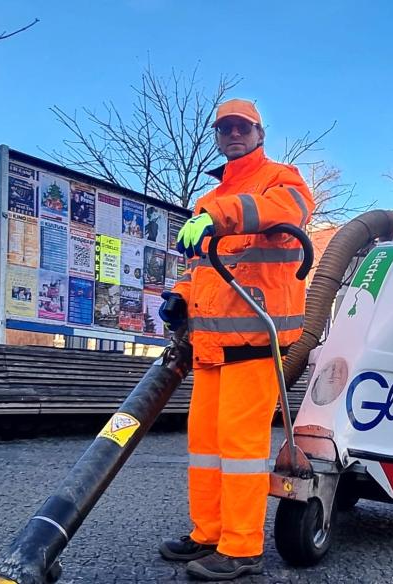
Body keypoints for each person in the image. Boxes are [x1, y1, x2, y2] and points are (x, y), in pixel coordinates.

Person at [156, 98, 315, 581]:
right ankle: (209, 533)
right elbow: (204, 268)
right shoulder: (210, 201)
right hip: (210, 347)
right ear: (217, 137)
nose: (233, 135)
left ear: (259, 132)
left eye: (241, 127)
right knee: (205, 445)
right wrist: (180, 295)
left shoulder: (281, 180)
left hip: (254, 340)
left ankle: (242, 548)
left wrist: (219, 216)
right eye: (224, 129)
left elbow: (284, 212)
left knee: (241, 449)